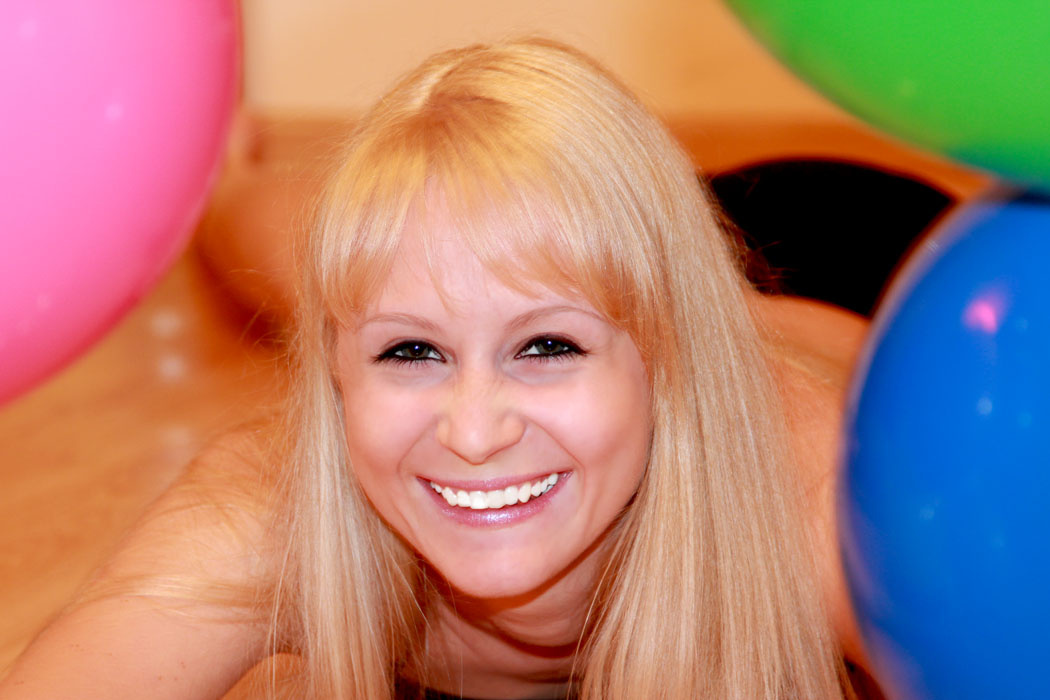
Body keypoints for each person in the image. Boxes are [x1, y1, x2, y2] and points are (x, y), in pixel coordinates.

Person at [0, 38, 871, 699]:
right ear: (337, 376)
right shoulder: (266, 510)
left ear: (666, 362)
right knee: (294, 254)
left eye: (548, 349)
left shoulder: (826, 500)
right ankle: (231, 187)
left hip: (835, 250)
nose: (475, 432)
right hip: (585, 257)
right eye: (410, 354)